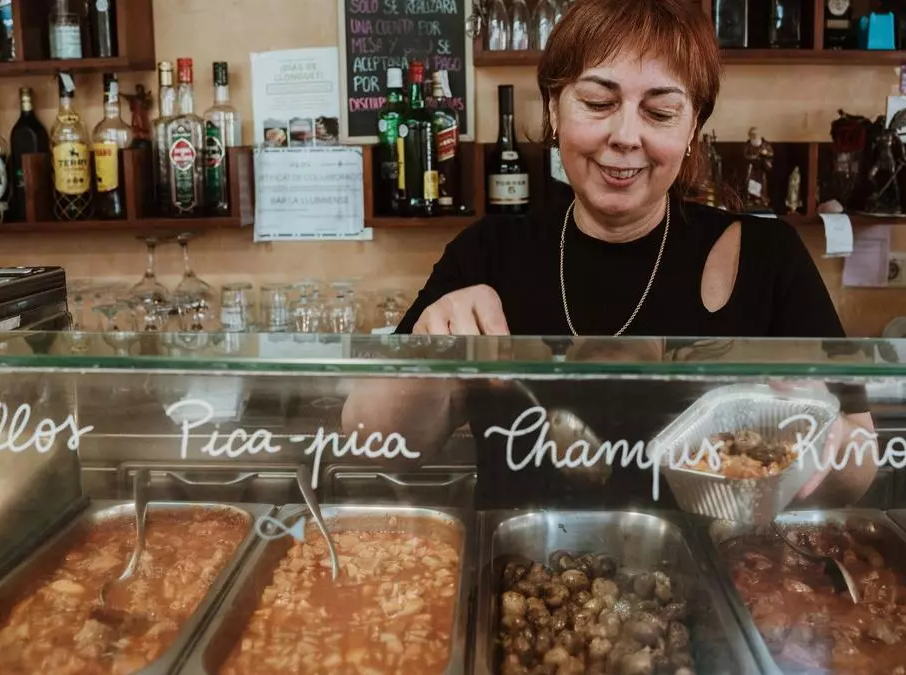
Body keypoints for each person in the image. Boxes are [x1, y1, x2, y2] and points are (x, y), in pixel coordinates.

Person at [344, 0, 876, 509]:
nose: (625, 137)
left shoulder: (769, 255)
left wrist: (821, 428)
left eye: (661, 112)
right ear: (554, 109)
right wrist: (425, 359)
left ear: (693, 129)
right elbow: (375, 445)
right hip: (522, 576)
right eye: (598, 103)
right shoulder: (487, 252)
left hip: (716, 577)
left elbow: (859, 469)